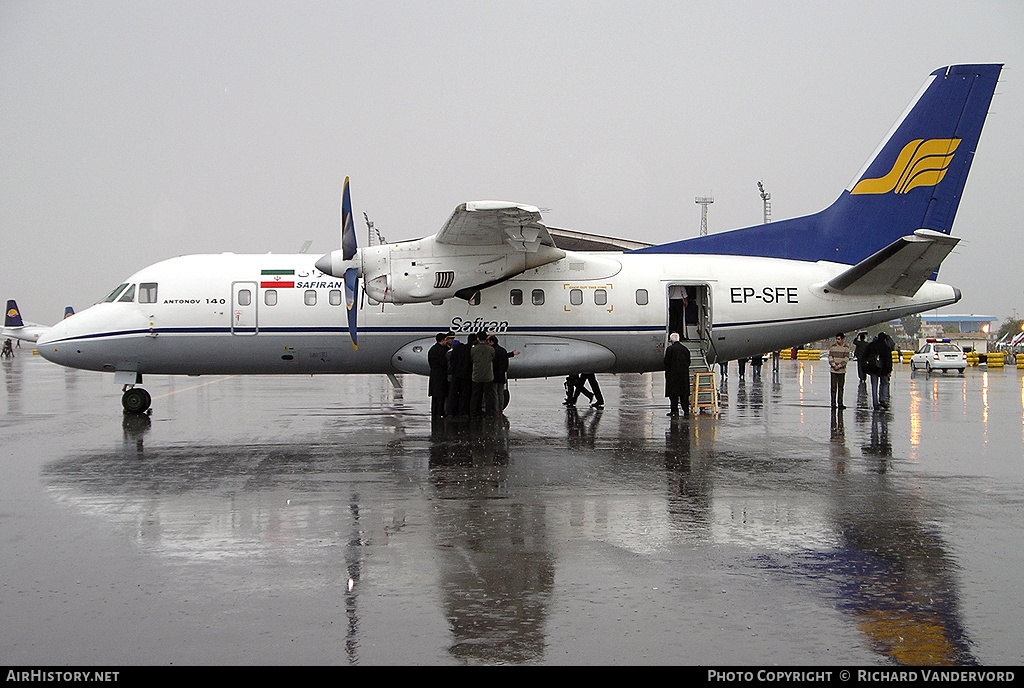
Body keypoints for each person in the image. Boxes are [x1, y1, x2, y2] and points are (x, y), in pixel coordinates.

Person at [488, 335, 518, 413]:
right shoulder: (503, 350)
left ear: (492, 342)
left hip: (494, 375)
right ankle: (500, 408)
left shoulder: (491, 351)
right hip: (501, 375)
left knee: (494, 393)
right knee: (500, 393)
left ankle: (496, 408)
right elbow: (505, 363)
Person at [663, 332, 691, 417]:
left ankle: (674, 411)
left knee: (673, 395)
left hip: (673, 376)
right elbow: (688, 362)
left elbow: (666, 362)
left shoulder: (670, 349)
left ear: (671, 340)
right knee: (684, 395)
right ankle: (686, 411)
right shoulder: (685, 349)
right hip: (684, 376)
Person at [864, 332, 893, 410]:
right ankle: (882, 399)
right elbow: (889, 360)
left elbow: (864, 356)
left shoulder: (871, 345)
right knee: (884, 383)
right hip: (884, 369)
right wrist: (889, 370)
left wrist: (866, 367)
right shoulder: (886, 347)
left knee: (874, 386)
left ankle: (875, 404)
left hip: (873, 369)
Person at [470, 333, 496, 416]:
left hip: (476, 375)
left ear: (478, 338)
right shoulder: (491, 349)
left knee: (476, 395)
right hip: (488, 375)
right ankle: (489, 412)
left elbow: (472, 358)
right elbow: (493, 357)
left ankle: (474, 412)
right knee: (488, 395)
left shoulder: (473, 349)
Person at [451, 333, 476, 416]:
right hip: (467, 375)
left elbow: (452, 360)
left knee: (454, 393)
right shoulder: (472, 350)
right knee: (465, 394)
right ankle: (464, 411)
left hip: (456, 374)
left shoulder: (458, 348)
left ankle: (452, 411)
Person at [428, 332, 452, 417]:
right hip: (441, 376)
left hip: (434, 375)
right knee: (441, 397)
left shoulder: (432, 349)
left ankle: (434, 413)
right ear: (442, 340)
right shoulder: (443, 350)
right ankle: (440, 413)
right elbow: (444, 363)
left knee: (435, 397)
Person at [828, 332, 851, 409]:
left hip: (841, 371)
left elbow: (846, 358)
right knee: (833, 387)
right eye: (836, 339)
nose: (837, 341)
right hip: (833, 370)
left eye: (839, 339)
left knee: (841, 387)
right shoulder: (832, 347)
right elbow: (830, 357)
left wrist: (840, 366)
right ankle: (833, 403)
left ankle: (840, 403)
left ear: (843, 339)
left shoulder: (846, 348)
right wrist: (834, 365)